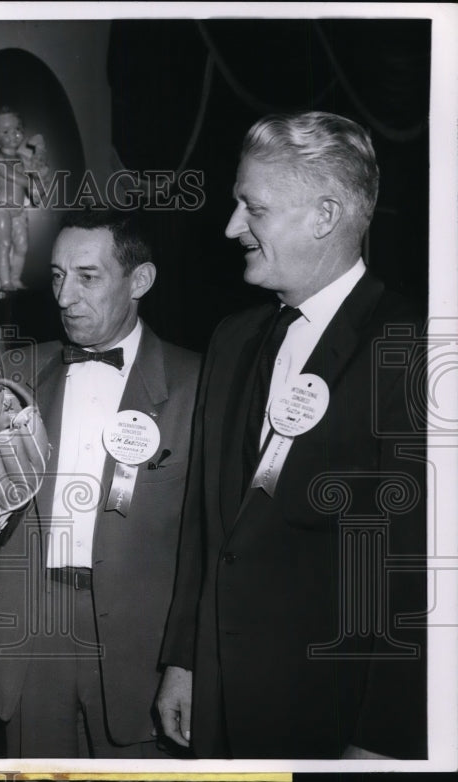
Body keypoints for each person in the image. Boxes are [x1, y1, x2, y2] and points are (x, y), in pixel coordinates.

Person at [156, 111, 426, 759]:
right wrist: (185, 660)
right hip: (220, 697)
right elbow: (207, 523)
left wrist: (382, 740)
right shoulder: (233, 337)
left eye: (253, 208)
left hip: (331, 715)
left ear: (324, 216)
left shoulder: (413, 348)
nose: (230, 227)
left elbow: (415, 571)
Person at [0, 208, 201, 757]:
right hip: (31, 634)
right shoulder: (15, 372)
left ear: (139, 281)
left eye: (87, 277)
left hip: (141, 647)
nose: (64, 296)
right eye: (56, 276)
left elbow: (209, 544)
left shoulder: (199, 381)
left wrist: (185, 661)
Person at [0, 108, 49, 293]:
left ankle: (15, 278)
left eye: (17, 129)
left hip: (19, 210)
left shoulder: (23, 158)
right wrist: (32, 181)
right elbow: (13, 176)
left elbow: (37, 169)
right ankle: (5, 282)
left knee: (22, 246)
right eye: (5, 131)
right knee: (4, 244)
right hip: (1, 207)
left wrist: (40, 153)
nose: (13, 134)